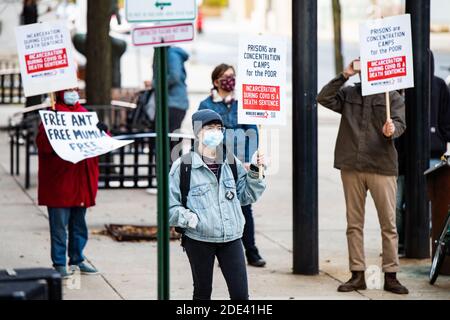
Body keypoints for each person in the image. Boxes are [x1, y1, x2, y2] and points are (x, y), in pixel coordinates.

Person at [317, 59, 409, 294]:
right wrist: (345, 74)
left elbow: (399, 125)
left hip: (382, 166)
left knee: (389, 225)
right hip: (352, 166)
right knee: (354, 224)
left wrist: (392, 130)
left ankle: (391, 276)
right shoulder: (348, 93)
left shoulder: (394, 98)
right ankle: (357, 274)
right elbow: (323, 98)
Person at [168, 109, 266, 300]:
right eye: (209, 127)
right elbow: (170, 207)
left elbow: (246, 196)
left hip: (232, 238)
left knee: (240, 296)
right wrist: (191, 219)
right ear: (197, 131)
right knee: (203, 292)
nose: (215, 131)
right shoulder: (182, 166)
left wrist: (256, 171)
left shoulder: (231, 162)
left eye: (218, 128)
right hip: (199, 239)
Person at [198, 63, 266, 267]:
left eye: (233, 76)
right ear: (216, 81)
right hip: (217, 164)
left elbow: (251, 132)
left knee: (245, 207)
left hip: (241, 165)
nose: (230, 79)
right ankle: (223, 251)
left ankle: (251, 252)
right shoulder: (206, 104)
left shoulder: (243, 103)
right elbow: (203, 134)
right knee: (218, 206)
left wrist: (247, 160)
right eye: (226, 76)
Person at [36, 88, 104, 278]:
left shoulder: (83, 114)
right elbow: (42, 145)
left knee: (78, 225)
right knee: (59, 227)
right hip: (60, 182)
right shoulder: (52, 115)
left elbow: (98, 143)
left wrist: (103, 131)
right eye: (69, 90)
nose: (73, 93)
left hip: (80, 182)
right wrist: (51, 130)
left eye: (75, 89)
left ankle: (77, 259)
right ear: (59, 93)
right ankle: (59, 263)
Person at [396, 52, 450, 252]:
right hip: (404, 155)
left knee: (431, 202)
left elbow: (445, 115)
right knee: (400, 203)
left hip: (433, 152)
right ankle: (403, 241)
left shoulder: (438, 86)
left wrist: (441, 136)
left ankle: (428, 241)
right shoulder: (402, 87)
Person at [152, 46, 189, 133]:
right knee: (170, 138)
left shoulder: (171, 54)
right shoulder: (165, 53)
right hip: (172, 103)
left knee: (171, 139)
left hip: (174, 103)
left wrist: (154, 83)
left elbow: (174, 76)